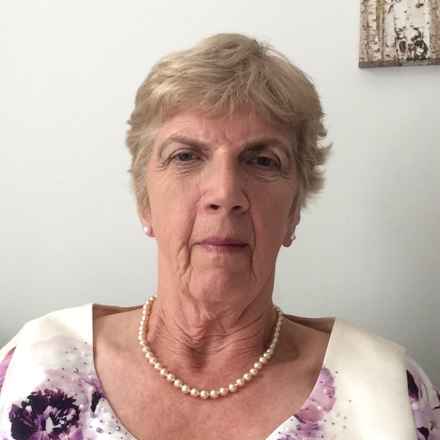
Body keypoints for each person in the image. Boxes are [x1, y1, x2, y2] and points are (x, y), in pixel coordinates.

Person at [0, 33, 438, 440]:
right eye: (186, 156)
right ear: (145, 202)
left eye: (262, 161)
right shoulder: (34, 366)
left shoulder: (389, 394)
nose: (225, 194)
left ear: (293, 211)